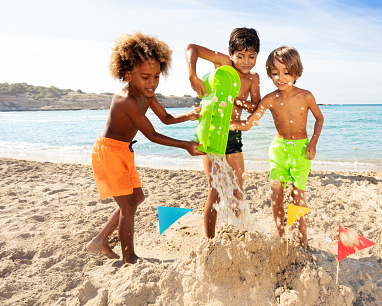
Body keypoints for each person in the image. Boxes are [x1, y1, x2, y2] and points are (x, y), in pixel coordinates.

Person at [86, 32, 205, 264]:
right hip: (109, 152)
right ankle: (129, 258)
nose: (152, 83)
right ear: (128, 74)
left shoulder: (147, 94)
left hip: (124, 151)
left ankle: (99, 240)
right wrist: (187, 146)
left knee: (136, 198)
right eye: (145, 77)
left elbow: (167, 118)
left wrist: (189, 115)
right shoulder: (127, 99)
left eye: (157, 77)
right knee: (128, 206)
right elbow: (151, 134)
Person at [230, 46, 324, 248]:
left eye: (286, 72)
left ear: (297, 73)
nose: (280, 77)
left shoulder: (306, 96)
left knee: (297, 195)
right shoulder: (270, 99)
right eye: (274, 73)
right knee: (276, 193)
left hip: (301, 150)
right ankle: (281, 236)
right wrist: (228, 124)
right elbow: (248, 123)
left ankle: (302, 237)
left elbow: (319, 118)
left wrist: (313, 143)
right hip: (278, 149)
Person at [185, 28, 261, 238]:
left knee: (237, 190)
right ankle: (209, 240)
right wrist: (193, 75)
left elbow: (255, 106)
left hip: (234, 136)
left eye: (252, 56)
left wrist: (238, 101)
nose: (246, 61)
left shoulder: (253, 78)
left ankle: (239, 235)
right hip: (212, 135)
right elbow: (192, 48)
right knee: (215, 191)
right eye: (241, 56)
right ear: (230, 53)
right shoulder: (223, 64)